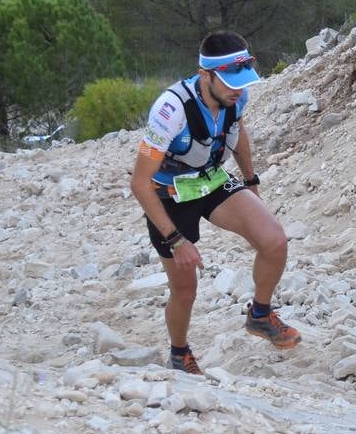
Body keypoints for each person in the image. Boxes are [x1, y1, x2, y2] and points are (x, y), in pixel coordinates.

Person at [129, 32, 301, 376]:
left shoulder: (236, 97)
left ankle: (261, 314)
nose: (237, 89)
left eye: (242, 81)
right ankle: (179, 353)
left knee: (274, 241)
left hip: (211, 180)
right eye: (229, 81)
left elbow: (238, 134)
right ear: (205, 74)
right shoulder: (170, 110)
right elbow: (140, 183)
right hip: (169, 196)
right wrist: (177, 240)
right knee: (185, 289)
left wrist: (250, 181)